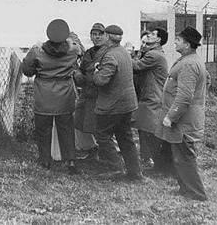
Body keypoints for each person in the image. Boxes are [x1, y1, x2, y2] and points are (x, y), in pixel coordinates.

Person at [155, 26, 208, 201]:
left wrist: (171, 116)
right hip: (184, 119)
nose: (175, 41)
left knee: (185, 156)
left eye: (178, 39)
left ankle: (196, 193)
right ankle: (186, 189)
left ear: (187, 44)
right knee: (180, 156)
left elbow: (185, 96)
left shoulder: (189, 64)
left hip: (184, 120)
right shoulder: (188, 60)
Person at [21, 18, 80, 175]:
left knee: (43, 128)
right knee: (66, 127)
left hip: (44, 94)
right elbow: (77, 50)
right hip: (65, 93)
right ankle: (71, 160)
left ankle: (45, 159)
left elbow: (27, 70)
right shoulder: (73, 50)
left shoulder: (37, 51)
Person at [92, 24, 143, 181]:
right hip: (128, 104)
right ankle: (135, 172)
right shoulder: (124, 52)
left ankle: (116, 168)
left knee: (102, 135)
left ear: (107, 37)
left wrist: (96, 71)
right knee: (125, 137)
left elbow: (101, 80)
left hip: (112, 104)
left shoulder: (110, 55)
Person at [132, 27, 169, 171]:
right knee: (145, 128)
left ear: (158, 40)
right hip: (151, 96)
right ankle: (152, 160)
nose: (148, 36)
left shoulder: (154, 55)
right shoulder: (154, 53)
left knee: (149, 130)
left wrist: (128, 53)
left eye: (152, 35)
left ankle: (158, 162)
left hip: (153, 97)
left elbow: (135, 66)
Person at [73, 22, 107, 161]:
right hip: (87, 94)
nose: (97, 37)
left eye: (100, 34)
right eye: (94, 34)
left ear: (105, 36)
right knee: (79, 122)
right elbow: (81, 69)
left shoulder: (107, 52)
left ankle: (111, 154)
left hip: (101, 94)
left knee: (102, 127)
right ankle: (91, 150)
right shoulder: (88, 52)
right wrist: (77, 73)